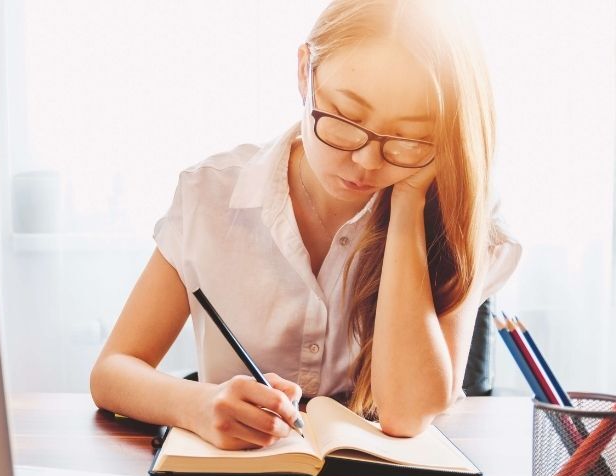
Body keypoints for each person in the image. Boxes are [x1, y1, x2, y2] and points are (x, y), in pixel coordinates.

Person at [90, 0, 521, 450]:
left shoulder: (460, 218)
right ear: (304, 72)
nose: (366, 160)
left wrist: (409, 204)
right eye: (346, 117)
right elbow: (113, 370)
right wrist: (198, 404)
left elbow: (407, 414)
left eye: (408, 136)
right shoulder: (212, 195)